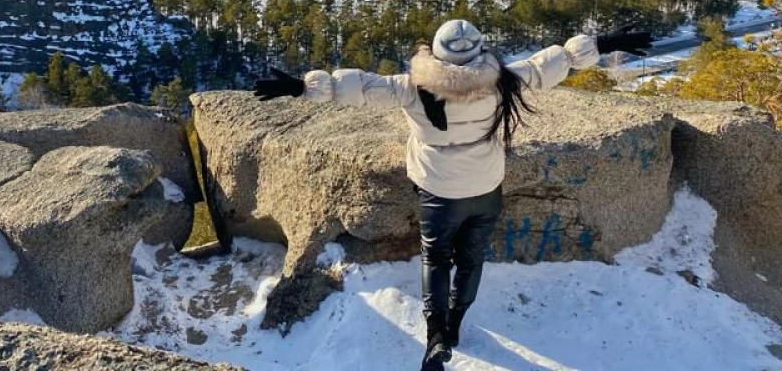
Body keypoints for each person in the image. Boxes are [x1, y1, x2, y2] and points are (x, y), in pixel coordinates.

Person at [252, 19, 652, 371]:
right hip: (484, 188)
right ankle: (457, 324)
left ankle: (435, 336)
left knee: (437, 257)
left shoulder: (412, 88)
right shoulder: (504, 82)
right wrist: (600, 44)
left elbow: (355, 87)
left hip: (438, 191)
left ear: (436, 53)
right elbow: (552, 64)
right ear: (480, 52)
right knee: (471, 258)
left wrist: (302, 86)